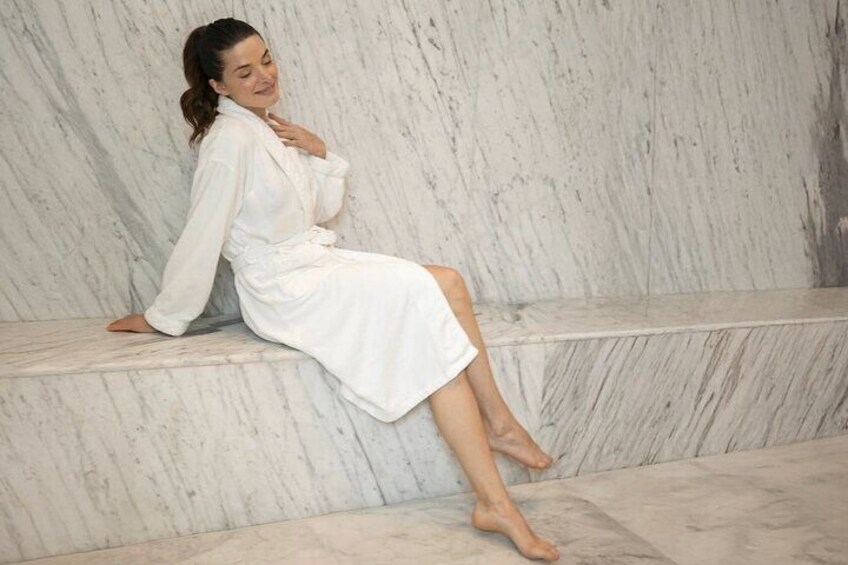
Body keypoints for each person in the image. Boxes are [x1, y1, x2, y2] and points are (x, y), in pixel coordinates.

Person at [107, 17, 560, 562]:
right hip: (282, 287)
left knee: (449, 283)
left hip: (311, 263)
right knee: (418, 299)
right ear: (218, 85)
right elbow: (203, 232)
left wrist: (319, 153)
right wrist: (164, 315)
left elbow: (316, 212)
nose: (265, 76)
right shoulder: (228, 142)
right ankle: (495, 503)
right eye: (245, 72)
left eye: (267, 60)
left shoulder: (268, 128)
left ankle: (501, 424)